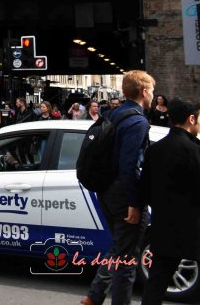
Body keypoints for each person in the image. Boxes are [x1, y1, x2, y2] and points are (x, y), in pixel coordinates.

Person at [80, 70, 155, 305]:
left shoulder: (114, 113)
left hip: (106, 190)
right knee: (127, 259)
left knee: (120, 248)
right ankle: (105, 298)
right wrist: (134, 202)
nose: (153, 94)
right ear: (144, 91)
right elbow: (129, 164)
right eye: (152, 90)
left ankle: (95, 296)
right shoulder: (137, 121)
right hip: (124, 194)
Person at [137, 98, 200, 305]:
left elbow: (144, 189)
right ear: (191, 119)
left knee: (156, 283)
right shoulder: (194, 151)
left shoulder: (155, 150)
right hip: (194, 228)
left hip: (164, 226)